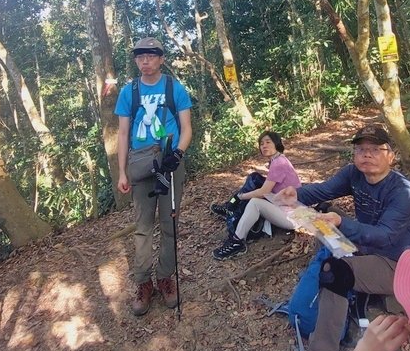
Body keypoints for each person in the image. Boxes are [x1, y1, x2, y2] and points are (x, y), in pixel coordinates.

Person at [275, 124, 410, 351]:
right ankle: (342, 309)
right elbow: (323, 190)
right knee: (326, 218)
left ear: (391, 156)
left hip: (402, 263)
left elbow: (385, 236)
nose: (366, 155)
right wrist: (296, 194)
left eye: (375, 150)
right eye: (361, 149)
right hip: (368, 246)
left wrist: (342, 223)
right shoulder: (354, 175)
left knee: (336, 274)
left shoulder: (404, 193)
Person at [115, 37, 193, 316]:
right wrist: (122, 171)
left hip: (170, 159)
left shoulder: (174, 87)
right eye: (140, 56)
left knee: (169, 223)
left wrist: (178, 154)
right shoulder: (129, 92)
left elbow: (186, 127)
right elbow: (123, 133)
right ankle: (143, 283)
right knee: (143, 226)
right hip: (140, 162)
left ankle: (165, 277)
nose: (145, 61)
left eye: (150, 56)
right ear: (136, 60)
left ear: (161, 58)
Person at [212, 131, 302, 260]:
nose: (264, 146)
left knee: (255, 202)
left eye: (268, 142)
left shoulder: (279, 163)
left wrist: (239, 197)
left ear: (276, 143)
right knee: (254, 179)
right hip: (283, 205)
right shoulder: (277, 160)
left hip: (292, 215)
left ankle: (237, 241)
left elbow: (262, 192)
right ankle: (231, 209)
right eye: (261, 143)